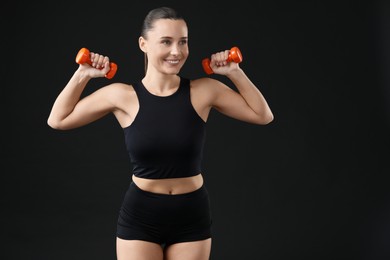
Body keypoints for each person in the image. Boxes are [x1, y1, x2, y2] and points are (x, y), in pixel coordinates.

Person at [47, 6, 274, 260]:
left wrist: (235, 72)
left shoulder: (205, 90)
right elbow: (58, 119)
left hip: (191, 214)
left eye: (183, 42)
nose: (176, 51)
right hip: (141, 216)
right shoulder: (122, 96)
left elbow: (262, 115)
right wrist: (83, 75)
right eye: (166, 41)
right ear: (143, 44)